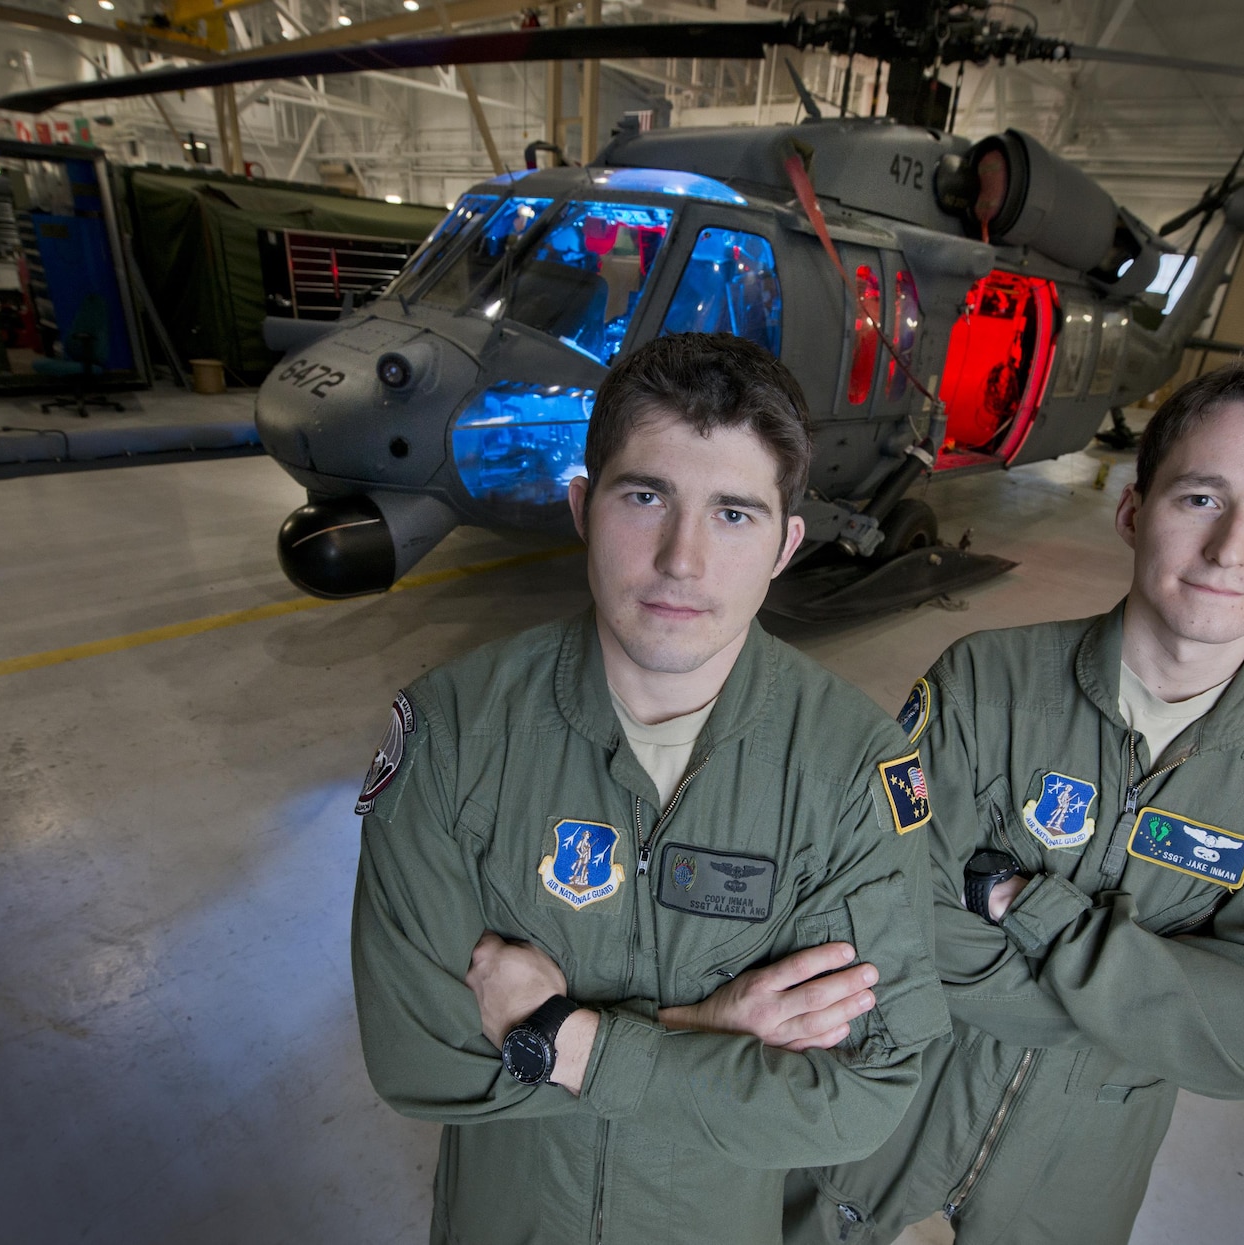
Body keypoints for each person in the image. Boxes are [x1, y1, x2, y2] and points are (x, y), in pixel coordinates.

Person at [788, 358, 1244, 1244]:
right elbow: (882, 911)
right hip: (889, 1088)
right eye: (1200, 498)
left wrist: (1030, 909)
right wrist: (1146, 1005)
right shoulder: (984, 683)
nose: (1231, 549)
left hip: (1086, 1148)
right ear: (1133, 507)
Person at [350, 333, 951, 1245]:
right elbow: (417, 1060)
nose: (684, 558)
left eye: (735, 514)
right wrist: (711, 1027)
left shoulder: (849, 770)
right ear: (585, 506)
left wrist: (568, 1036)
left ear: (787, 544)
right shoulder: (454, 731)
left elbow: (859, 1096)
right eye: (646, 497)